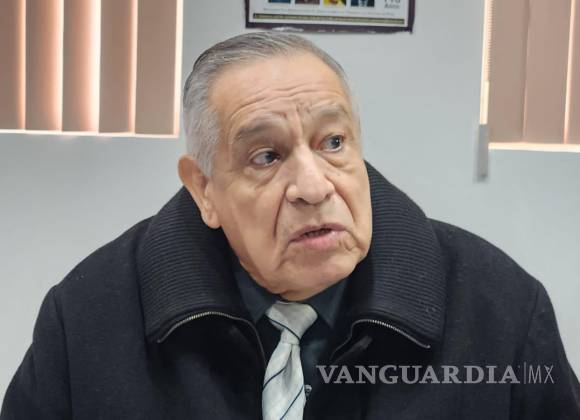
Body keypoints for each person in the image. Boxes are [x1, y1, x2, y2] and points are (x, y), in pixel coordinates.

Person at [1, 32, 579, 420]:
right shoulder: (87, 317)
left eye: (333, 142)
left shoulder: (500, 307)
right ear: (204, 189)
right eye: (266, 156)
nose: (314, 186)